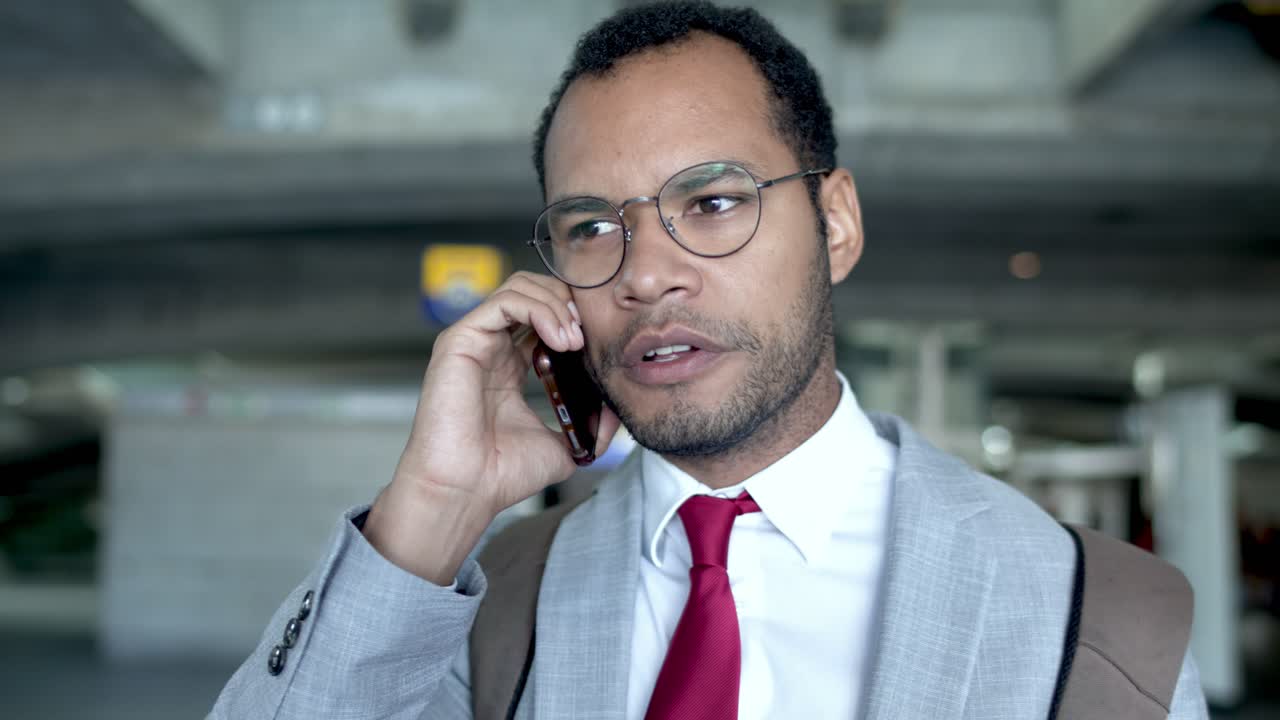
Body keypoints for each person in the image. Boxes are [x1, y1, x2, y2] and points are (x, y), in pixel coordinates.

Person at [210, 2, 1209, 718]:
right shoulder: (489, 604)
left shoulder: (1100, 617)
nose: (646, 274)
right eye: (593, 226)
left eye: (713, 204)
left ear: (836, 224)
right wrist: (433, 506)